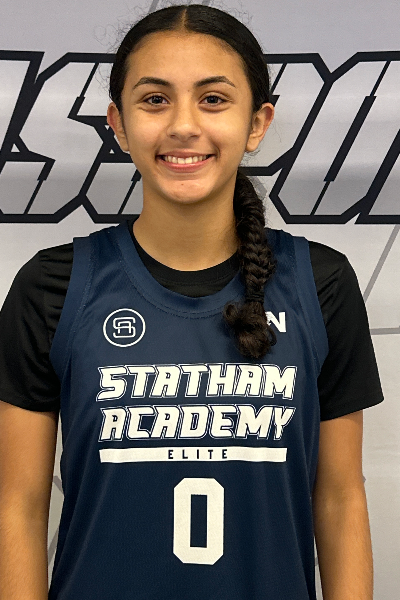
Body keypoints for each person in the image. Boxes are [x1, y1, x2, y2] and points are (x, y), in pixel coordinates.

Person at [0, 4, 383, 600]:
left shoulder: (320, 283)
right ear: (118, 123)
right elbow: (18, 505)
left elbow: (339, 497)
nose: (183, 125)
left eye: (213, 99)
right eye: (155, 99)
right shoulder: (54, 286)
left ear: (257, 123)